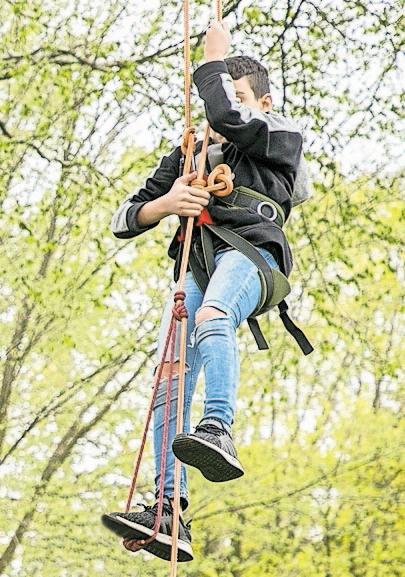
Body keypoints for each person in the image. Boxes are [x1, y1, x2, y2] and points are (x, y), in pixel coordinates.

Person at [101, 20, 310, 563]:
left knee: (214, 315)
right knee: (169, 373)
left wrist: (213, 61)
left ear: (263, 103)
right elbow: (124, 218)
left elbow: (229, 117)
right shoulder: (190, 155)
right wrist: (167, 204)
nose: (224, 108)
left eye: (237, 96)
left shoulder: (278, 136)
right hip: (200, 262)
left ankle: (218, 426)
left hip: (252, 257)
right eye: (222, 93)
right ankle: (168, 507)